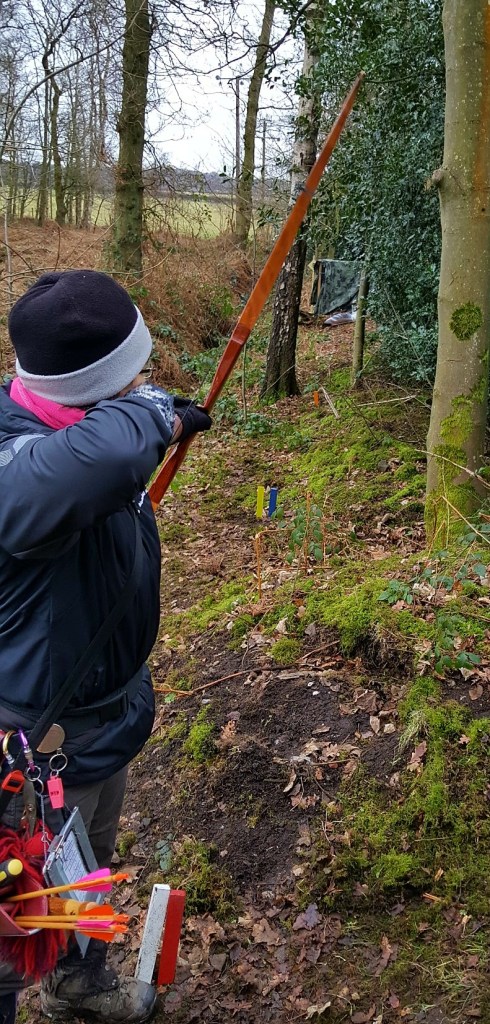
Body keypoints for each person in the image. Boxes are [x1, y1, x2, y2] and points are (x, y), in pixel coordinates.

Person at [0, 270, 212, 1024]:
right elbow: (102, 456)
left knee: (84, 864)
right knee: (8, 929)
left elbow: (110, 451)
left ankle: (78, 983)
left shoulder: (86, 435)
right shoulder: (24, 464)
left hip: (98, 724)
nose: (144, 384)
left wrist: (149, 417)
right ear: (95, 388)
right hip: (28, 751)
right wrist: (154, 411)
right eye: (131, 376)